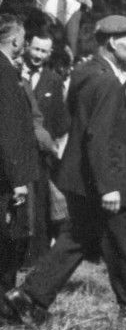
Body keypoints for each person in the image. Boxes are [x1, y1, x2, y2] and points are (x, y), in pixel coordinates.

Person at [3, 16, 126, 325]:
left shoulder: (86, 72)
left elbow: (89, 125)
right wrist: (109, 186)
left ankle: (28, 296)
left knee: (77, 240)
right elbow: (98, 136)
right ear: (112, 42)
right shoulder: (107, 81)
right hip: (110, 177)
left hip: (83, 175)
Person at [18, 28, 68, 262]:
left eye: (44, 52)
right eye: (36, 49)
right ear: (27, 45)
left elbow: (59, 120)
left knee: (39, 206)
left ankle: (35, 257)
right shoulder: (13, 73)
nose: (38, 55)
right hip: (16, 150)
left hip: (41, 156)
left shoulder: (54, 80)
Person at [0, 15, 39, 292]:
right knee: (8, 240)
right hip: (5, 175)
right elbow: (8, 130)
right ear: (15, 41)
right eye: (24, 41)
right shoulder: (4, 73)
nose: (24, 46)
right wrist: (17, 180)